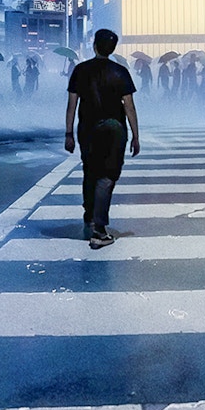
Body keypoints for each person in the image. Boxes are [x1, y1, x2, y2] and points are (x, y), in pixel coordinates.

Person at [65, 29, 141, 249]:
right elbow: (129, 106)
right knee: (107, 176)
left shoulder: (80, 70)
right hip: (114, 129)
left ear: (95, 46)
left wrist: (68, 133)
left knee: (90, 170)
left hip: (87, 129)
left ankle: (89, 214)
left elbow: (72, 105)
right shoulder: (120, 71)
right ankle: (99, 229)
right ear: (113, 48)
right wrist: (136, 136)